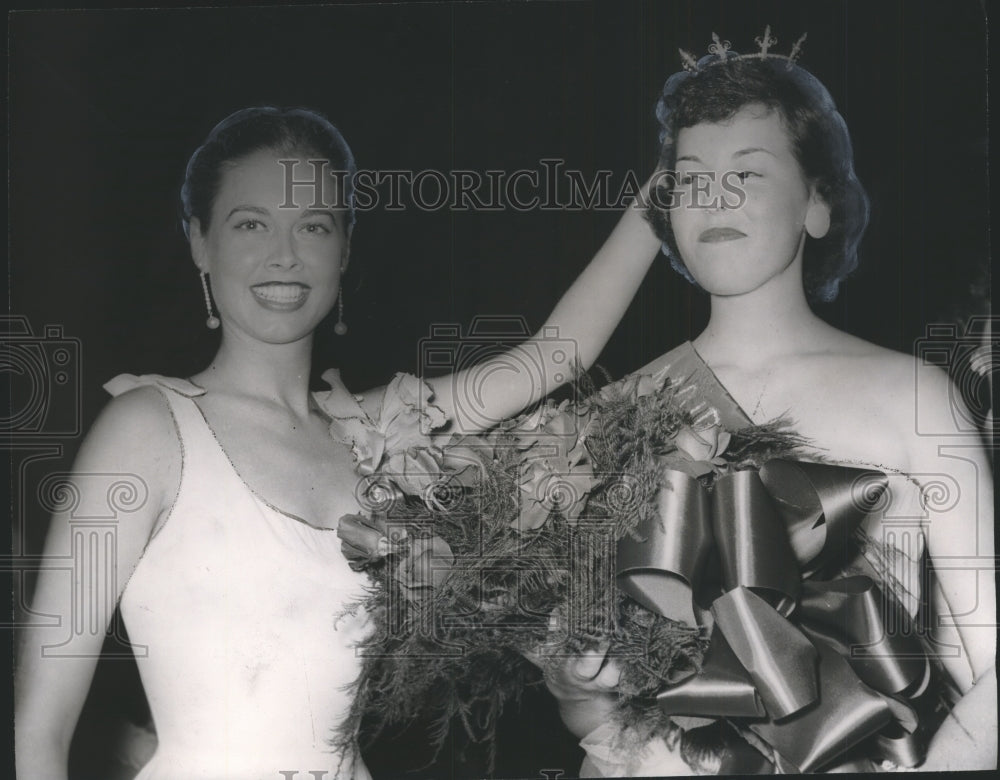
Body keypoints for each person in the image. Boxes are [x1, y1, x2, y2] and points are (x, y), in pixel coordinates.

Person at [13, 106, 662, 779]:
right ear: (199, 242)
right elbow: (39, 731)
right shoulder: (143, 430)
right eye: (250, 224)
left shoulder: (374, 431)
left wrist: (672, 184)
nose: (285, 255)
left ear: (345, 249)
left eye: (314, 226)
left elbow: (554, 360)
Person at [545, 37, 996, 774]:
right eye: (691, 180)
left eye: (747, 173)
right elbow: (597, 710)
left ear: (819, 202)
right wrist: (571, 685)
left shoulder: (914, 395)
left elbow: (993, 669)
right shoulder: (612, 416)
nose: (715, 199)